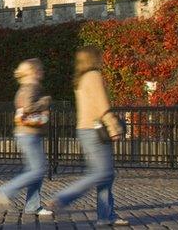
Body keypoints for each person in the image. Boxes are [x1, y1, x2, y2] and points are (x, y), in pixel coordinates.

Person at [51, 46, 129, 227]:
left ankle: (106, 215)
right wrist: (113, 126)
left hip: (85, 129)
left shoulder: (80, 80)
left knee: (105, 175)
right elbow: (102, 105)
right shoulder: (94, 76)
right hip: (96, 130)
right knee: (103, 173)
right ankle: (65, 197)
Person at [0, 59, 53, 216]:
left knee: (34, 170)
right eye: (39, 70)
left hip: (28, 133)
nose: (42, 72)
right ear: (33, 72)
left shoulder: (25, 88)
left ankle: (32, 206)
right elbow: (28, 108)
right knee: (38, 170)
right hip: (29, 133)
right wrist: (44, 102)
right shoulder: (30, 88)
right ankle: (5, 190)